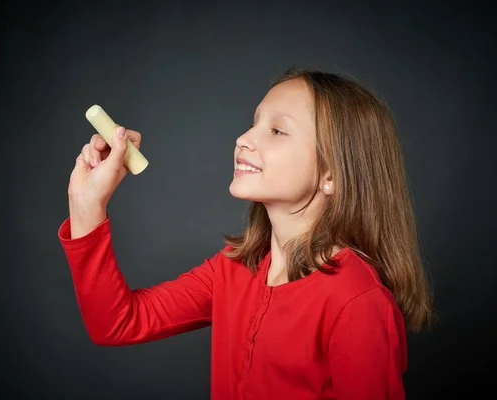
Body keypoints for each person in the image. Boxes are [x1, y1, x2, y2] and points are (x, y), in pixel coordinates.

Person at [58, 67, 434, 400]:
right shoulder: (232, 269)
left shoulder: (357, 302)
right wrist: (86, 205)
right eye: (254, 122)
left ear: (331, 175)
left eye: (276, 130)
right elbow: (117, 323)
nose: (244, 138)